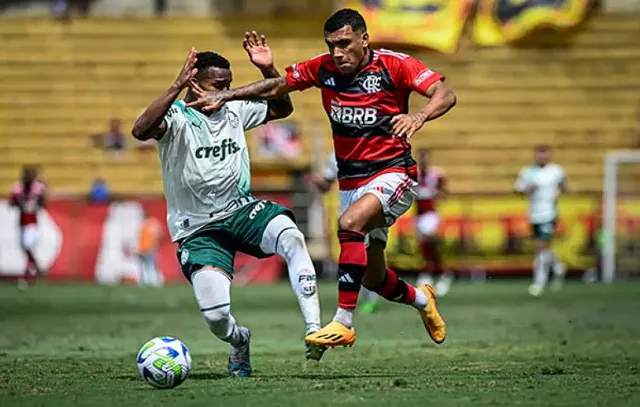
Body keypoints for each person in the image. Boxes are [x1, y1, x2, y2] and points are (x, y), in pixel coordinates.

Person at [187, 8, 457, 349]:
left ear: (364, 39)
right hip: (351, 182)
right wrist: (229, 92)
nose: (337, 53)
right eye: (331, 45)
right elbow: (278, 87)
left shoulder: (396, 64)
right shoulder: (323, 67)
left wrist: (418, 115)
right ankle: (423, 300)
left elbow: (445, 94)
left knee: (350, 223)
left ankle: (343, 322)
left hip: (393, 172)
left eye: (344, 43)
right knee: (374, 278)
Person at [131, 32, 324, 378]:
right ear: (195, 82)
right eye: (216, 84)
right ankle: (239, 340)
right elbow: (140, 130)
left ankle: (314, 329)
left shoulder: (234, 107)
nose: (224, 91)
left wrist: (268, 70)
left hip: (240, 210)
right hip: (198, 228)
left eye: (228, 84)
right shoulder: (176, 117)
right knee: (217, 318)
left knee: (293, 239)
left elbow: (283, 107)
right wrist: (175, 86)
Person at [309, 152, 381, 314]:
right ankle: (355, 300)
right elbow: (326, 186)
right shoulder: (334, 156)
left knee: (366, 255)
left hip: (367, 210)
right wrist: (317, 182)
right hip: (346, 213)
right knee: (352, 258)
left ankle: (369, 298)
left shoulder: (368, 149)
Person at [515, 144, 567, 297]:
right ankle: (558, 267)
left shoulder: (556, 171)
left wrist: (559, 193)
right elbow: (518, 190)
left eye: (545, 154)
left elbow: (564, 187)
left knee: (541, 246)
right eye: (540, 154)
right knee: (543, 246)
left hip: (549, 213)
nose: (542, 157)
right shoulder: (528, 172)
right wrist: (529, 189)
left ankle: (539, 281)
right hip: (534, 213)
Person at [414, 149, 453, 297]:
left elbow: (444, 192)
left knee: (429, 239)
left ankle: (432, 273)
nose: (423, 161)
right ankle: (433, 272)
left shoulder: (436, 174)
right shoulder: (414, 174)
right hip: (418, 215)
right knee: (424, 246)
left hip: (430, 214)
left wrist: (437, 195)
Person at [9, 165, 47, 289]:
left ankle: (29, 273)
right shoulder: (18, 188)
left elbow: (43, 203)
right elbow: (11, 203)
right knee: (25, 248)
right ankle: (36, 268)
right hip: (22, 223)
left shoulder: (37, 188)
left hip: (32, 223)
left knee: (27, 247)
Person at [137, 210, 164, 287]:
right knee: (146, 266)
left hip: (150, 249)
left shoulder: (151, 224)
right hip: (144, 249)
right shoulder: (144, 224)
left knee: (152, 266)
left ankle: (155, 282)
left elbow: (157, 235)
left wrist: (153, 246)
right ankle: (147, 282)